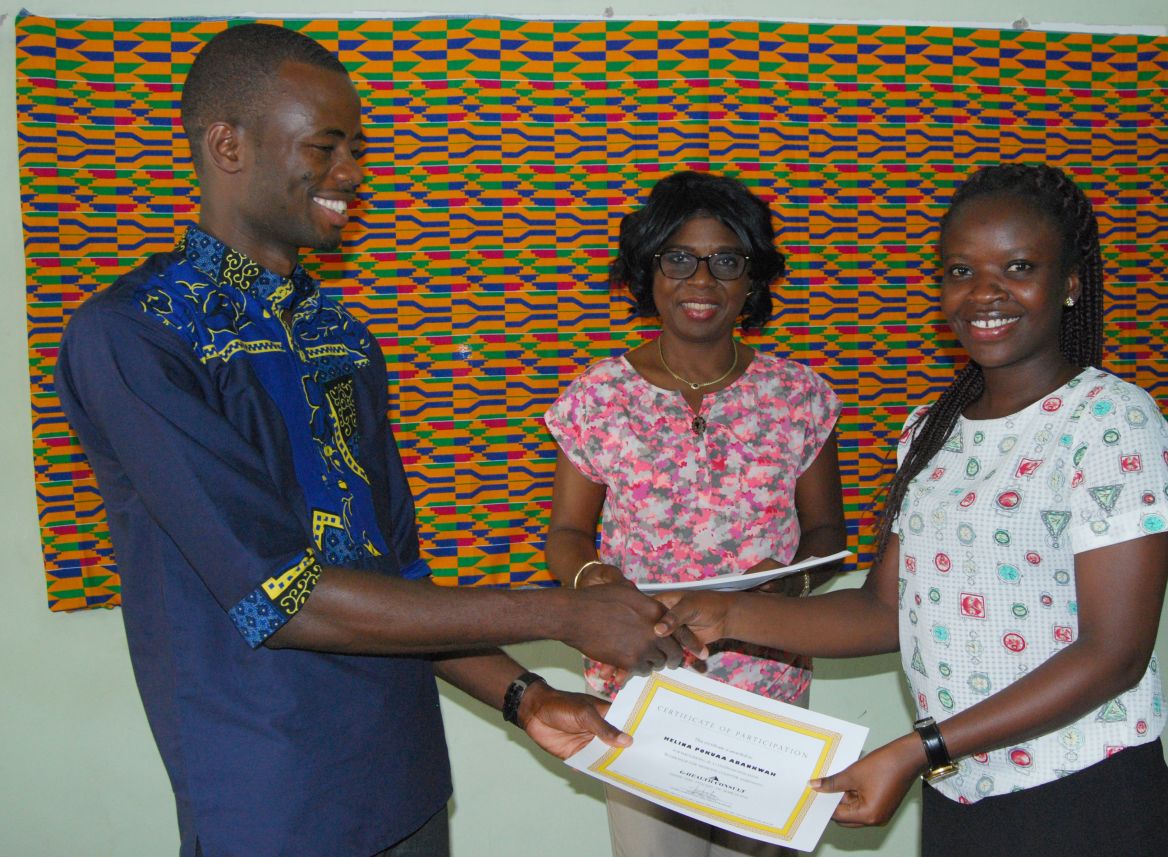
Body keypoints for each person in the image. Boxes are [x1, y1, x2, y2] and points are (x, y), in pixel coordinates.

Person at [53, 23, 698, 857]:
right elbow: (283, 594)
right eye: (324, 147)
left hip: (405, 777)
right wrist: (563, 611)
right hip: (270, 793)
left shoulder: (344, 337)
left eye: (355, 150)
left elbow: (396, 577)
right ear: (227, 145)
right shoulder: (136, 336)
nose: (351, 174)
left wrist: (524, 695)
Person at [657, 163, 1168, 856]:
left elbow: (1114, 653)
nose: (985, 292)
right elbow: (886, 610)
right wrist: (725, 615)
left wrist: (921, 747)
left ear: (1071, 283)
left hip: (1083, 794)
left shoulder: (1111, 422)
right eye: (961, 271)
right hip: (962, 790)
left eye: (1018, 267)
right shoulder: (931, 429)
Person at [544, 170, 846, 857]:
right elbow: (566, 534)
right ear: (646, 272)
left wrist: (792, 579)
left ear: (753, 278)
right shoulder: (598, 397)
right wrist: (593, 579)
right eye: (678, 258)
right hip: (641, 683)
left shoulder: (799, 395)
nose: (701, 280)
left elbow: (828, 532)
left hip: (768, 682)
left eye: (726, 261)